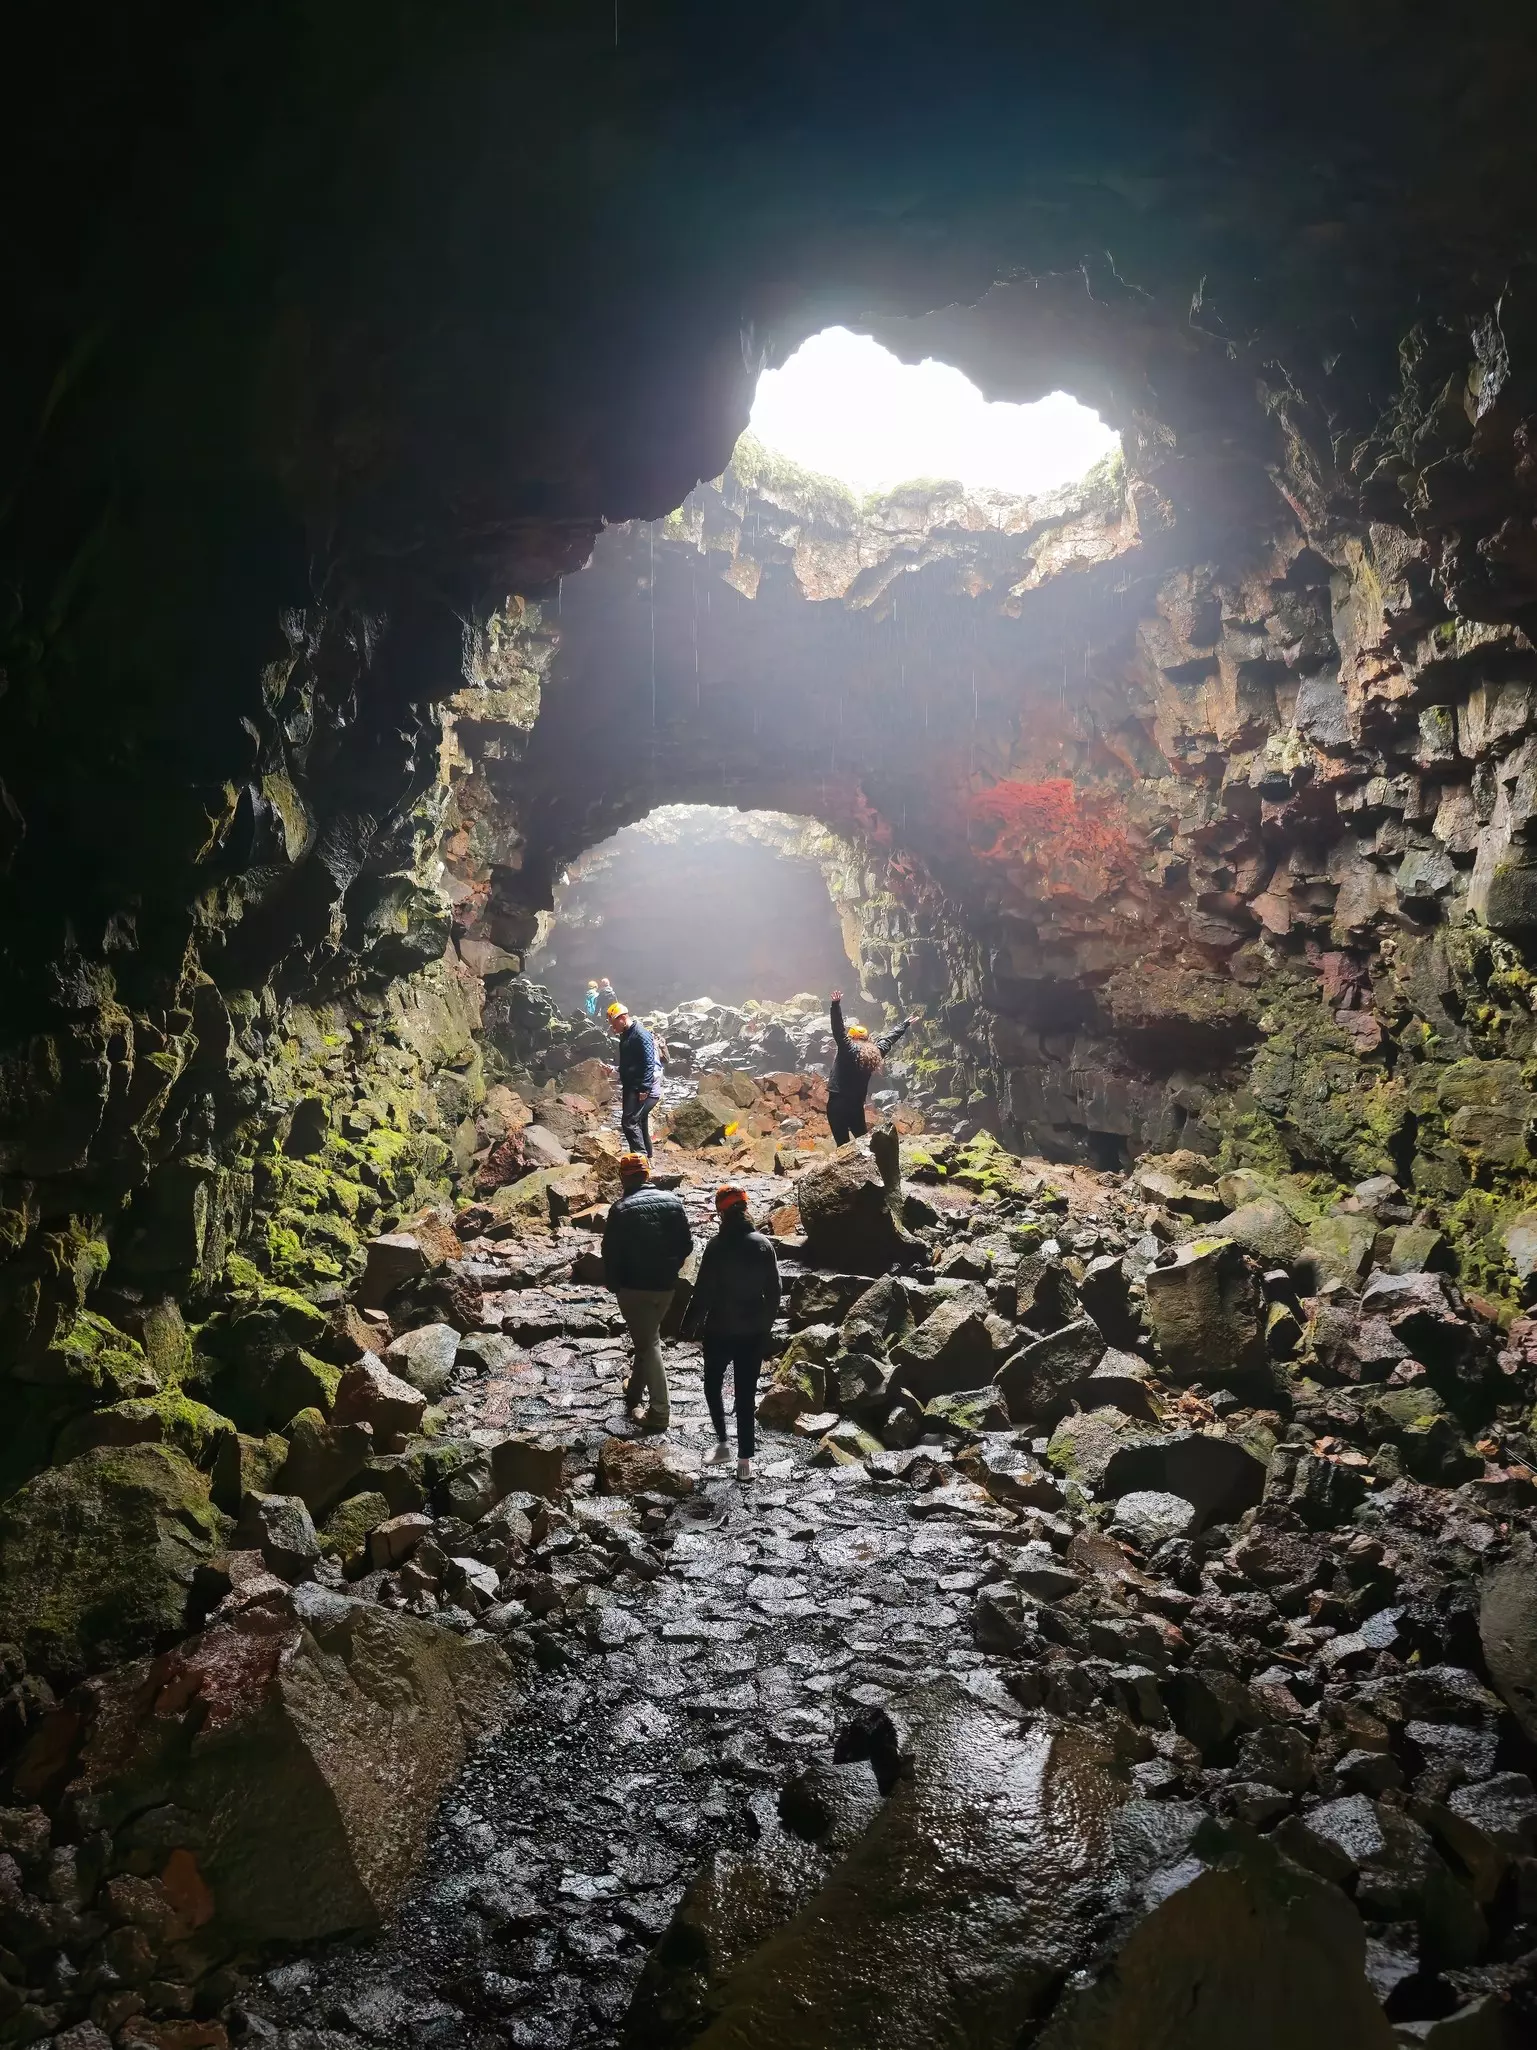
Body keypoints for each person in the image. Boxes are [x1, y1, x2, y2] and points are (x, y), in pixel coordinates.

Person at [683, 1183, 781, 1482]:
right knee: (746, 1394)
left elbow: (703, 1292)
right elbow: (775, 1290)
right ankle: (745, 1462)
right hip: (752, 1330)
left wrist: (689, 1324)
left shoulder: (716, 1247)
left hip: (720, 1329)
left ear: (721, 1212)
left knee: (712, 1385)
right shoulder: (763, 1244)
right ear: (745, 1208)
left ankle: (723, 1443)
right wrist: (766, 1324)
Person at [601, 1151, 692, 1431]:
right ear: (648, 1174)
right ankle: (634, 1392)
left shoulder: (620, 1209)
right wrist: (671, 1268)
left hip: (633, 1288)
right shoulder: (673, 1202)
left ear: (622, 1178)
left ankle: (660, 1413)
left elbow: (610, 1254)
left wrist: (614, 1284)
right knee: (646, 1338)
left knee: (649, 1344)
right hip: (665, 1286)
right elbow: (686, 1245)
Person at [825, 987, 920, 1145]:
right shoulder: (875, 1052)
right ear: (867, 1038)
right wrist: (904, 1025)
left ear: (852, 1037)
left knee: (842, 1145)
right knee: (863, 1142)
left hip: (838, 1103)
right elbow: (889, 1039)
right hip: (856, 1105)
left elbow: (838, 1029)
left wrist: (835, 1005)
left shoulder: (846, 1047)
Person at [609, 1002, 661, 1157]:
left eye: (614, 1024)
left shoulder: (640, 1034)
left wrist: (645, 1087)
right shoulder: (627, 1035)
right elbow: (630, 1063)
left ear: (623, 1018)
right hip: (632, 1084)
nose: (613, 1028)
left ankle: (640, 1158)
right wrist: (615, 1070)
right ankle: (647, 1158)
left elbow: (649, 1062)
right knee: (640, 1122)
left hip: (639, 1086)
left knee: (629, 1122)